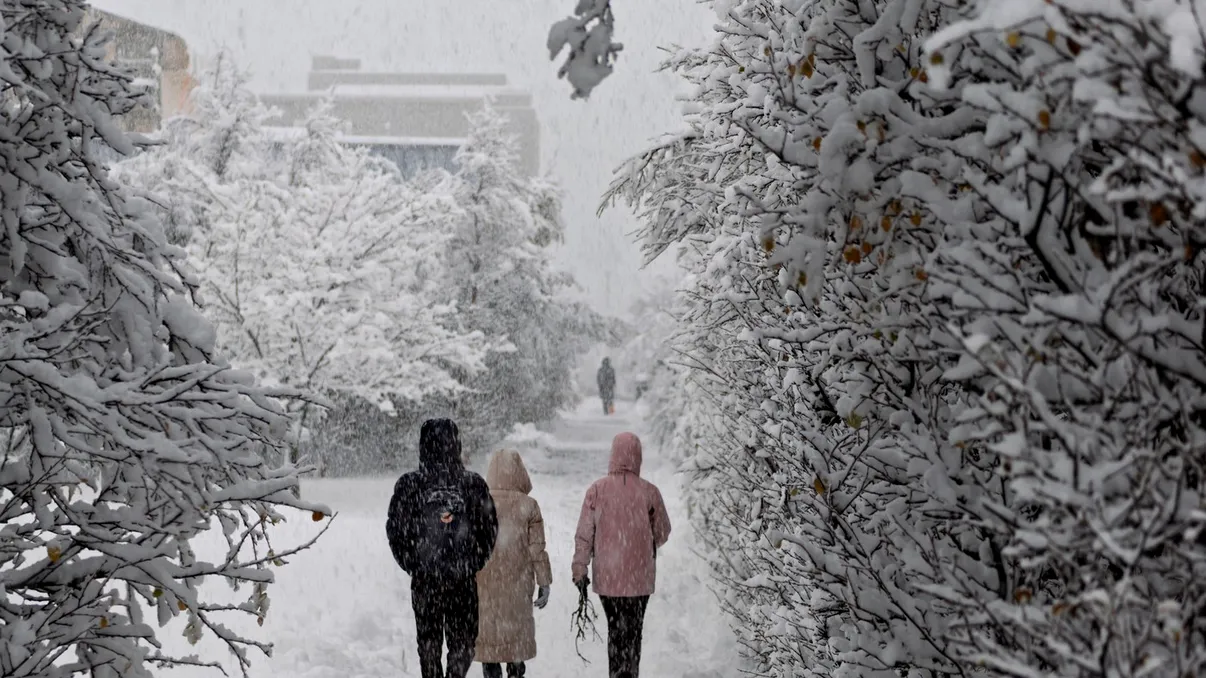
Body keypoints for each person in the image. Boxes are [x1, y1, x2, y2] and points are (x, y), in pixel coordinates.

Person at [386, 419, 498, 678]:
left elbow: (396, 530)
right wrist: (472, 563)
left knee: (429, 643)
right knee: (463, 642)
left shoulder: (409, 485)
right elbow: (489, 529)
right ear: (456, 445)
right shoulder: (473, 484)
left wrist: (414, 564)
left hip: (426, 581)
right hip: (462, 581)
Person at [571, 432, 672, 678]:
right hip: (639, 577)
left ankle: (616, 672)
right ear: (638, 456)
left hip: (608, 577)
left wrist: (580, 569)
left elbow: (584, 535)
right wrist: (644, 545)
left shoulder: (597, 490)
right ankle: (630, 671)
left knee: (615, 629)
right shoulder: (650, 492)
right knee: (634, 631)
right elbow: (663, 531)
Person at [474, 449, 553, 678]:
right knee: (516, 642)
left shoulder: (479, 503)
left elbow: (469, 546)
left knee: (488, 641)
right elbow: (537, 549)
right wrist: (544, 581)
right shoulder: (528, 505)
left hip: (484, 586)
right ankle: (516, 672)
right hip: (517, 585)